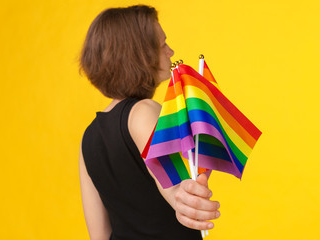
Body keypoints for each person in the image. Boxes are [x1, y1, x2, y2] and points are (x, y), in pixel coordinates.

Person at [78, 5, 220, 240]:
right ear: (140, 54)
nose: (171, 51)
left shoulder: (88, 138)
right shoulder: (144, 112)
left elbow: (98, 235)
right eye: (162, 44)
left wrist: (185, 195)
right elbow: (175, 190)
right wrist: (188, 197)